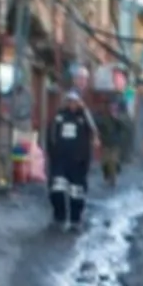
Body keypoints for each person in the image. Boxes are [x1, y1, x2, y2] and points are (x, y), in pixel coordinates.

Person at [46, 90, 99, 231]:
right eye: (69, 101)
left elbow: (94, 133)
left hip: (78, 162)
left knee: (76, 193)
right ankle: (59, 217)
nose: (72, 104)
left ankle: (75, 219)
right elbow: (51, 136)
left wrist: (86, 158)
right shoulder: (59, 117)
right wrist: (53, 154)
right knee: (57, 190)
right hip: (60, 162)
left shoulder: (84, 118)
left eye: (75, 102)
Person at [95, 98, 133, 188]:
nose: (112, 109)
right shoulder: (104, 117)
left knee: (113, 161)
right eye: (111, 107)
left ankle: (113, 178)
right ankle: (107, 175)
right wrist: (98, 138)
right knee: (105, 162)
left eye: (114, 107)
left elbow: (126, 127)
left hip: (115, 143)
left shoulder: (120, 117)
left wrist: (117, 119)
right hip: (105, 143)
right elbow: (99, 127)